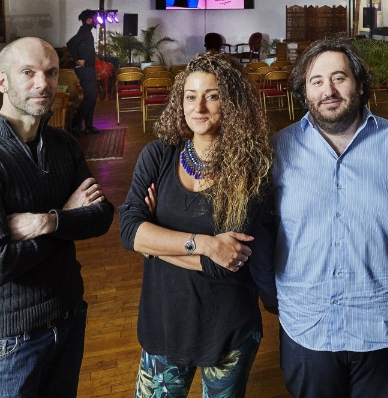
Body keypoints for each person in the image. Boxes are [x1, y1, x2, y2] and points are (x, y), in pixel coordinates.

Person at [268, 38, 388, 397]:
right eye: (316, 81)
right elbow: (262, 229)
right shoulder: (279, 149)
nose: (328, 90)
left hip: (382, 323)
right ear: (305, 91)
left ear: (360, 84)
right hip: (307, 327)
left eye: (339, 77)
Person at [0, 37, 114, 398]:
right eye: (28, 73)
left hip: (68, 318)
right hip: (9, 340)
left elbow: (101, 216)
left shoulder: (63, 144)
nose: (43, 83)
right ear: (2, 82)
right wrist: (68, 215)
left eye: (51, 73)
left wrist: (47, 222)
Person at [118, 51, 276, 398]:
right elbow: (129, 230)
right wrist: (203, 243)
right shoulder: (158, 155)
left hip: (227, 328)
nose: (198, 107)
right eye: (190, 96)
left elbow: (226, 264)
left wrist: (154, 245)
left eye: (212, 96)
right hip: (164, 321)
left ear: (232, 103)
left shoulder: (250, 168)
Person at [67, 9, 101, 135]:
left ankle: (88, 126)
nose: (97, 21)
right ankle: (75, 125)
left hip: (89, 70)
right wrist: (77, 60)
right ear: (89, 20)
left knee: (91, 97)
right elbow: (70, 44)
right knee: (90, 97)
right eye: (95, 19)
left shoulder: (86, 32)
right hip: (85, 70)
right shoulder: (84, 32)